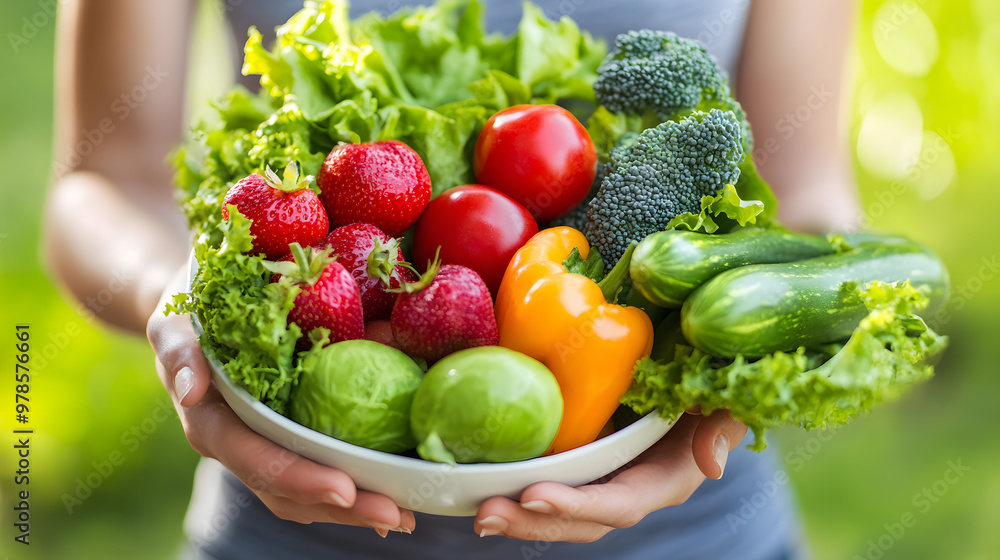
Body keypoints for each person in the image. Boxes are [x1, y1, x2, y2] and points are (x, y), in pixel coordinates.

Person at [45, 0, 859, 557]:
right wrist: (176, 297)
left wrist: (731, 384)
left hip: (701, 536)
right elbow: (101, 187)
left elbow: (810, 198)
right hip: (284, 532)